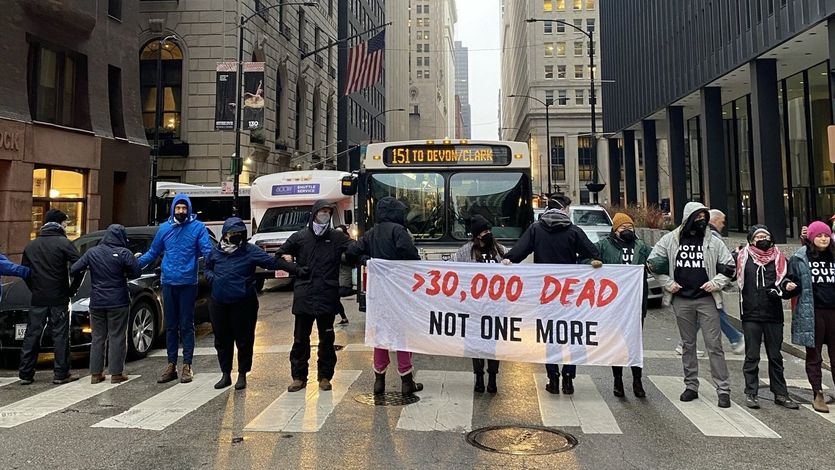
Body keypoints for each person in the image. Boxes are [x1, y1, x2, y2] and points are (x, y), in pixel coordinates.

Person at [501, 195, 601, 395]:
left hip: (545, 294)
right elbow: (594, 253)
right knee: (571, 334)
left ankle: (553, 377)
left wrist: (507, 260)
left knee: (550, 335)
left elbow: (517, 254)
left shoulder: (536, 229)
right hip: (569, 294)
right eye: (568, 209)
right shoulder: (573, 231)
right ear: (563, 209)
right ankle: (568, 378)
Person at [647, 202, 735, 408]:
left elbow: (730, 266)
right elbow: (652, 263)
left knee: (714, 345)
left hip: (707, 299)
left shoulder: (713, 241)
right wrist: (668, 283)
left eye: (704, 217)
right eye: (698, 217)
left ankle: (723, 389)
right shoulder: (670, 240)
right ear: (688, 218)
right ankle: (691, 385)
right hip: (682, 299)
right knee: (688, 345)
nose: (702, 221)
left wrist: (716, 283)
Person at [347, 196, 424, 396]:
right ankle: (406, 381)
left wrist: (367, 260)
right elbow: (410, 254)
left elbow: (351, 251)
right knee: (402, 334)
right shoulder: (399, 231)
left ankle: (379, 381)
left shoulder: (372, 232)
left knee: (380, 334)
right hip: (398, 291)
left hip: (378, 292)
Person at [276, 201, 351, 393]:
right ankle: (298, 377)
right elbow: (279, 256)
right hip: (305, 296)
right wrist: (295, 269)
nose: (325, 214)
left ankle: (325, 376)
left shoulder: (336, 237)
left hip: (327, 295)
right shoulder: (300, 237)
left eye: (328, 212)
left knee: (327, 340)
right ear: (314, 213)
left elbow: (354, 250)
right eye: (322, 211)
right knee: (300, 339)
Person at [138, 194, 213, 384]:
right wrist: (134, 265)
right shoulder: (165, 229)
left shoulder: (198, 228)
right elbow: (153, 252)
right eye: (178, 208)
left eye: (184, 208)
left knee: (187, 325)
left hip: (188, 283)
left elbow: (207, 251)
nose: (181, 211)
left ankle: (187, 365)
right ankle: (171, 364)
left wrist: (218, 265)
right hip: (169, 282)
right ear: (173, 209)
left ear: (189, 209)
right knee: (171, 326)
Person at [205, 217, 282, 390]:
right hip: (219, 302)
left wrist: (287, 258)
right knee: (222, 340)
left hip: (244, 302)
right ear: (225, 234)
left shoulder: (250, 251)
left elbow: (271, 262)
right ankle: (225, 374)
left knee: (244, 339)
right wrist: (213, 279)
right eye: (233, 233)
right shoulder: (215, 252)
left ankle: (242, 374)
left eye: (240, 233)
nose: (236, 236)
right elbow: (207, 267)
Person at [735, 225, 799, 410]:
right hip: (750, 314)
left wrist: (787, 287)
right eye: (759, 236)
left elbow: (786, 280)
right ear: (751, 240)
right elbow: (728, 272)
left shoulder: (780, 258)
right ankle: (751, 393)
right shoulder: (742, 257)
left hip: (773, 314)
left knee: (775, 356)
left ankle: (781, 394)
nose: (763, 239)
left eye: (766, 236)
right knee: (752, 356)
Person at [70, 225, 142, 384]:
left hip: (97, 301)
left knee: (97, 337)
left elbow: (74, 268)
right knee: (117, 336)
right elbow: (137, 272)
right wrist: (125, 270)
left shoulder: (92, 252)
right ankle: (116, 373)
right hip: (118, 301)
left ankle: (96, 374)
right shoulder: (124, 253)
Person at [19, 209, 83, 385]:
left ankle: (25, 373)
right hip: (59, 296)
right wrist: (72, 289)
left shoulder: (31, 245)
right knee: (60, 335)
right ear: (59, 223)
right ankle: (61, 373)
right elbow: (80, 266)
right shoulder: (64, 243)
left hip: (38, 297)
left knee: (32, 334)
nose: (66, 226)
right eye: (65, 222)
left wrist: (34, 288)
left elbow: (25, 272)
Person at [593, 213, 651, 398]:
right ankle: (617, 380)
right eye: (623, 228)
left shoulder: (641, 247)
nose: (627, 230)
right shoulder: (603, 245)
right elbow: (586, 258)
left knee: (634, 343)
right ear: (615, 230)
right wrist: (593, 262)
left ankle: (637, 380)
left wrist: (653, 265)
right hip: (614, 303)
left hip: (636, 303)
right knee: (616, 343)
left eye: (630, 227)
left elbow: (658, 260)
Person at [674, 209, 745, 356]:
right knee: (715, 311)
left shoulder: (704, 235)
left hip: (706, 284)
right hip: (708, 284)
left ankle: (684, 343)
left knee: (703, 314)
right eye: (722, 221)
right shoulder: (712, 236)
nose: (723, 225)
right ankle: (736, 338)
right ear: (715, 220)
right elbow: (719, 261)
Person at [453, 215, 508, 394]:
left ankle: (492, 378)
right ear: (477, 234)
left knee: (493, 345)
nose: (488, 233)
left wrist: (509, 262)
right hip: (474, 308)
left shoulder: (500, 250)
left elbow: (514, 266)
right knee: (475, 344)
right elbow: (452, 270)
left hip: (495, 307)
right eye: (485, 231)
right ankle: (478, 377)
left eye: (489, 230)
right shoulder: (465, 252)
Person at [784, 221, 835, 413]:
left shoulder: (834, 255)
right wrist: (788, 286)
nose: (823, 239)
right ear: (811, 237)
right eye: (819, 235)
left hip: (833, 312)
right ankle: (817, 393)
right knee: (814, 356)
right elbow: (789, 281)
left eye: (826, 235)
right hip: (811, 312)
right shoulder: (800, 257)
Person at [334, 225, 353, 325]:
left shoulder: (348, 244)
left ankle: (342, 318)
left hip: (344, 277)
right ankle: (343, 318)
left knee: (335, 297)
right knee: (334, 298)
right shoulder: (334, 244)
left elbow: (348, 259)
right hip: (336, 276)